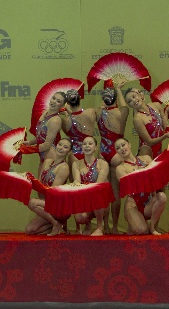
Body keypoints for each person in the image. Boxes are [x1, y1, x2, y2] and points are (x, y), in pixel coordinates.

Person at [114, 137, 167, 236]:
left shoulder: (146, 159)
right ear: (117, 152)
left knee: (162, 197)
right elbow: (130, 187)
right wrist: (144, 174)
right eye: (118, 148)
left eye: (123, 145)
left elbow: (156, 176)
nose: (122, 148)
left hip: (148, 203)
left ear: (129, 145)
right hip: (133, 205)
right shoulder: (120, 168)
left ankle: (152, 226)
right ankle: (134, 223)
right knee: (141, 231)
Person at [95, 81, 128, 234]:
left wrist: (108, 89)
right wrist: (118, 90)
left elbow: (104, 102)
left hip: (103, 150)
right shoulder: (121, 113)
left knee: (105, 190)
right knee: (114, 191)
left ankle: (105, 226)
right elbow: (125, 106)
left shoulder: (98, 112)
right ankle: (113, 226)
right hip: (115, 151)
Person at [25, 138, 72, 236]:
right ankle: (61, 226)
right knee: (30, 230)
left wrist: (39, 202)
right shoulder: (47, 162)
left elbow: (52, 192)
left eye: (65, 147)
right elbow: (40, 186)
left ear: (69, 151)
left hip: (59, 206)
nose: (61, 148)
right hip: (47, 205)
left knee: (31, 202)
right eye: (60, 145)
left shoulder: (64, 167)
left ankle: (56, 224)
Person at [71, 136, 109, 236]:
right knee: (79, 217)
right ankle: (87, 224)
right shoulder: (76, 164)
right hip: (85, 199)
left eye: (90, 143)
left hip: (99, 200)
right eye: (84, 144)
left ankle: (100, 227)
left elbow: (99, 184)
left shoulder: (102, 163)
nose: (87, 146)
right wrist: (76, 183)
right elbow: (77, 182)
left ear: (95, 147)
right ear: (82, 147)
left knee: (98, 192)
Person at [21, 92, 66, 174]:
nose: (54, 101)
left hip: (51, 156)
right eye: (53, 98)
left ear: (62, 106)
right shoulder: (44, 112)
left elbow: (47, 145)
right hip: (42, 155)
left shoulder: (55, 120)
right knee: (40, 182)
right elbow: (41, 136)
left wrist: (28, 150)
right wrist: (30, 142)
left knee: (46, 185)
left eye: (58, 101)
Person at [124, 88, 169, 158]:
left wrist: (166, 112)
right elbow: (149, 141)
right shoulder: (138, 119)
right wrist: (165, 136)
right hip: (146, 154)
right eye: (130, 101)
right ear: (130, 106)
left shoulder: (156, 105)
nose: (133, 100)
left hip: (158, 150)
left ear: (140, 95)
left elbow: (163, 126)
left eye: (134, 96)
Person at [59, 89, 97, 180]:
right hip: (91, 151)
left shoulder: (65, 121)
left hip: (75, 154)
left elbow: (68, 132)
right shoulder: (90, 112)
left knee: (75, 185)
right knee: (93, 184)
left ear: (67, 103)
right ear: (80, 98)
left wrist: (68, 114)